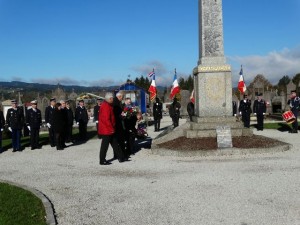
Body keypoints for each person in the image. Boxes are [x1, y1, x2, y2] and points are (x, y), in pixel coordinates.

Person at [98, 92, 125, 165]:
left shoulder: (107, 105)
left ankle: (121, 157)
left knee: (115, 143)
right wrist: (111, 129)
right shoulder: (106, 106)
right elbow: (106, 119)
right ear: (110, 98)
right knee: (105, 145)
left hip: (109, 129)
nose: (113, 99)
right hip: (107, 129)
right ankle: (102, 160)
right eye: (112, 98)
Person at [113, 92, 125, 158]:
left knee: (118, 140)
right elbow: (116, 114)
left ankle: (118, 154)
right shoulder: (116, 103)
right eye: (122, 97)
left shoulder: (116, 102)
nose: (122, 98)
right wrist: (122, 115)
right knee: (118, 140)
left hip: (118, 122)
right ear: (119, 96)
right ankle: (119, 154)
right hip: (117, 123)